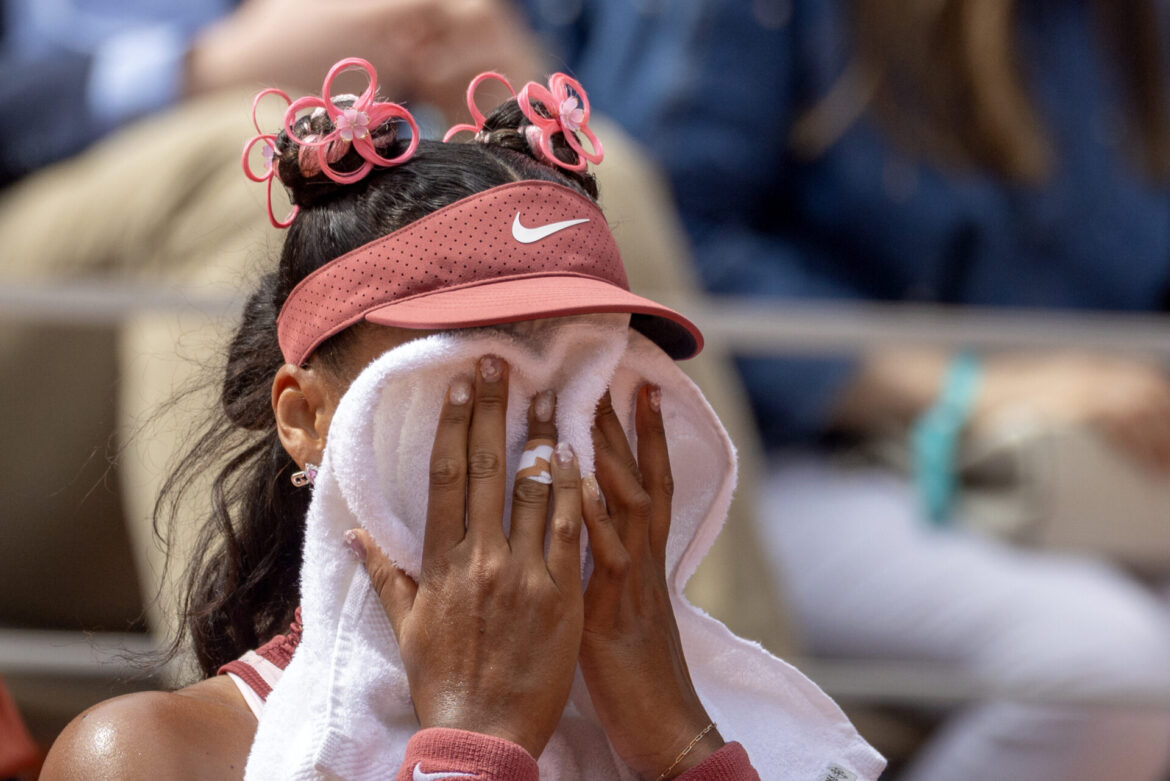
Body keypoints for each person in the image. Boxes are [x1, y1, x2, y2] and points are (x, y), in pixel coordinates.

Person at [37, 61, 774, 780]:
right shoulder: (150, 754)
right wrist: (475, 742)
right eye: (466, 375)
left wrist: (683, 746)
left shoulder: (714, 732)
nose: (540, 437)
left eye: (590, 372)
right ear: (306, 415)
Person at [552, 1, 1170, 780]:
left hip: (1092, 476)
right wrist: (971, 388)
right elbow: (659, 236)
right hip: (787, 464)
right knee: (1107, 665)